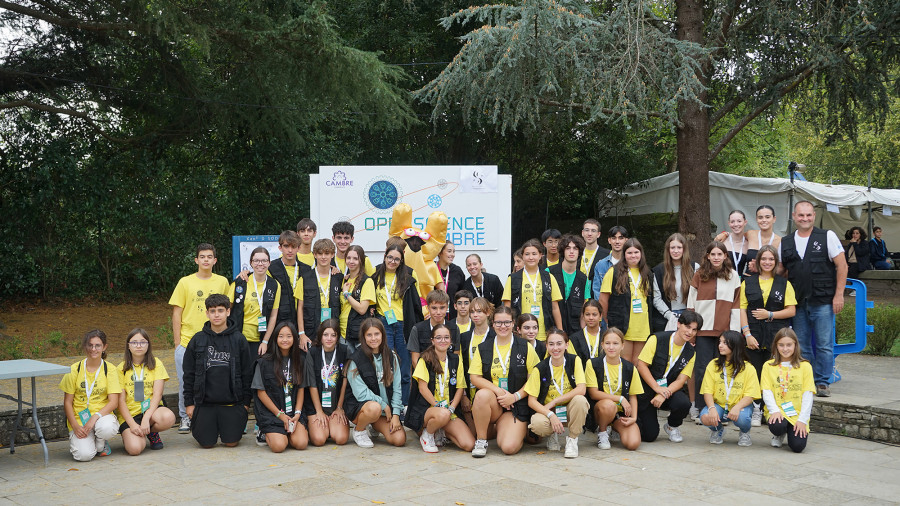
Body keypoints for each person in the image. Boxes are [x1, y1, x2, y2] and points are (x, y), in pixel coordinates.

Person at [779, 201, 848, 397]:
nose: (805, 219)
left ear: (814, 216)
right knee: (801, 344)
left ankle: (823, 382)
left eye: (808, 215)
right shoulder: (786, 241)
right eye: (801, 215)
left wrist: (839, 295)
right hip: (798, 302)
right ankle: (806, 380)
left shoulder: (827, 236)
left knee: (824, 344)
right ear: (794, 216)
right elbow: (781, 271)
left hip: (823, 301)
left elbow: (842, 266)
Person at [169, 243, 229, 433]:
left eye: (209, 256)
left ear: (215, 260)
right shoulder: (185, 282)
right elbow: (177, 313)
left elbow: (227, 310)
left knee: (210, 379)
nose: (205, 260)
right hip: (187, 342)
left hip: (213, 342)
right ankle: (185, 417)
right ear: (196, 260)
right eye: (202, 256)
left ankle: (205, 415)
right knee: (186, 381)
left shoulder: (222, 282)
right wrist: (178, 343)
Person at [468, 306, 540, 457]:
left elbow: (534, 379)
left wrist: (514, 397)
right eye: (498, 323)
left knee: (509, 448)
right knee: (482, 395)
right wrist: (498, 391)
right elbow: (474, 377)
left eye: (507, 322)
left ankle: (512, 429)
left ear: (513, 323)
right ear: (492, 324)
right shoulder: (483, 348)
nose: (503, 326)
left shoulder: (525, 347)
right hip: (494, 402)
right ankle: (481, 441)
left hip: (516, 404)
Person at [183, 294, 254, 448]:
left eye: (220, 310)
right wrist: (189, 403)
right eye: (213, 311)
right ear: (207, 313)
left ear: (228, 312)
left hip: (232, 404)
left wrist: (246, 404)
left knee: (231, 443)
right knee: (207, 444)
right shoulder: (198, 340)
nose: (216, 315)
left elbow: (247, 373)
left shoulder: (239, 339)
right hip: (205, 404)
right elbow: (188, 374)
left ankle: (230, 425)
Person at [739, 244, 797, 426]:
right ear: (758, 261)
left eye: (771, 259)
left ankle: (771, 409)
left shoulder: (784, 284)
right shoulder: (747, 282)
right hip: (753, 334)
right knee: (755, 372)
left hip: (775, 336)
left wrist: (770, 314)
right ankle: (756, 408)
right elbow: (742, 309)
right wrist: (746, 334)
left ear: (776, 262)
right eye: (763, 259)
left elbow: (791, 310)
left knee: (773, 373)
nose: (767, 262)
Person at [687, 241, 741, 421]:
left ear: (725, 256)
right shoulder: (699, 275)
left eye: (720, 254)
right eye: (713, 254)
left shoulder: (733, 276)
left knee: (723, 370)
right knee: (702, 369)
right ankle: (703, 410)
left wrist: (733, 333)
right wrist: (692, 331)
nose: (716, 257)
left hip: (723, 333)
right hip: (702, 332)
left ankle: (722, 410)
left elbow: (736, 306)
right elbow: (691, 305)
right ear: (708, 256)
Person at [635, 310, 702, 443]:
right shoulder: (657, 338)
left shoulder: (690, 352)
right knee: (649, 436)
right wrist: (656, 388)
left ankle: (672, 426)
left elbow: (681, 380)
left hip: (667, 390)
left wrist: (664, 393)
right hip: (647, 390)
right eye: (687, 327)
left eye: (694, 330)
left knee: (683, 403)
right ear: (678, 324)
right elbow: (641, 365)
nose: (690, 332)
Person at [407, 324, 475, 452]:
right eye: (438, 337)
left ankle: (442, 431)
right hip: (429, 408)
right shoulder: (425, 359)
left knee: (469, 444)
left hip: (449, 410)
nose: (443, 341)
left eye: (446, 337)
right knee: (442, 414)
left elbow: (460, 387)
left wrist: (452, 408)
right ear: (432, 340)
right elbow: (423, 388)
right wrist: (439, 406)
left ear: (451, 340)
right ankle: (427, 434)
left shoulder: (456, 359)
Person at [372, 243, 424, 406]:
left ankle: (403, 405)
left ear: (401, 261)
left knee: (404, 367)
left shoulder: (408, 278)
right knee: (387, 366)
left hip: (402, 326)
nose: (392, 261)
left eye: (397, 259)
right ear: (385, 256)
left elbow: (416, 305)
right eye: (390, 257)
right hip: (383, 324)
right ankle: (387, 403)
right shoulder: (376, 275)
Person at [525, 328, 588, 458]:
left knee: (580, 400)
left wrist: (555, 401)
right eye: (551, 344)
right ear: (546, 346)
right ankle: (551, 434)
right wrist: (550, 414)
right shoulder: (540, 368)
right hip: (550, 411)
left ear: (567, 344)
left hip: (569, 408)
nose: (555, 348)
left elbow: (581, 389)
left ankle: (572, 440)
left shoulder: (574, 360)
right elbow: (531, 400)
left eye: (559, 343)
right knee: (537, 423)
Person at [344, 318, 407, 448]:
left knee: (399, 440)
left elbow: (397, 388)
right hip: (363, 408)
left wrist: (395, 414)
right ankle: (360, 429)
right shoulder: (356, 359)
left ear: (383, 335)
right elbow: (361, 394)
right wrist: (384, 405)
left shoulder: (391, 356)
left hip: (384, 412)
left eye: (377, 334)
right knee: (374, 408)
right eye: (369, 335)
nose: (373, 338)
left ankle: (375, 426)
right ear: (363, 337)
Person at [60, 329, 121, 461]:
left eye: (97, 345)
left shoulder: (110, 369)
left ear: (104, 347)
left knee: (107, 427)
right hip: (79, 420)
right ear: (85, 346)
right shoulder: (74, 369)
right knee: (84, 456)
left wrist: (95, 417)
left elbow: (113, 402)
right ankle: (89, 440)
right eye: (90, 345)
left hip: (101, 417)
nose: (93, 349)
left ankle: (101, 441)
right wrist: (75, 426)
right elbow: (67, 402)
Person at [252, 321, 308, 452]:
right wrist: (280, 416)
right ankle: (265, 431)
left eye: (289, 336)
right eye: (281, 336)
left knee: (301, 444)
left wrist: (298, 413)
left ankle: (287, 431)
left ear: (294, 338)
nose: (285, 340)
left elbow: (301, 388)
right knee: (279, 446)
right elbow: (261, 393)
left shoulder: (300, 360)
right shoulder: (263, 362)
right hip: (273, 413)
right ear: (275, 338)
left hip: (293, 412)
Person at [117, 328, 175, 455]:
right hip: (130, 415)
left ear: (148, 345)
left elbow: (157, 394)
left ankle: (151, 432)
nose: (139, 345)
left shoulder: (156, 363)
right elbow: (120, 401)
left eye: (143, 342)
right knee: (134, 449)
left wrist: (146, 419)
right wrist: (132, 424)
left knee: (168, 417)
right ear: (128, 346)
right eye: (134, 342)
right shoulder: (121, 368)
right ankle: (136, 434)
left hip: (151, 411)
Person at [585, 328, 643, 451]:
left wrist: (633, 417)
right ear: (602, 345)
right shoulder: (593, 364)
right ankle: (602, 432)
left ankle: (614, 428)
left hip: (619, 414)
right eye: (607, 343)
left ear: (622, 345)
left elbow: (633, 396)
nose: (611, 347)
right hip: (600, 410)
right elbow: (593, 393)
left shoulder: (630, 367)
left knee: (633, 444)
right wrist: (620, 398)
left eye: (615, 343)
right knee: (608, 405)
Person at [699, 330, 760, 446]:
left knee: (742, 418)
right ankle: (718, 430)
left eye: (725, 343)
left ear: (736, 345)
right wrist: (711, 408)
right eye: (720, 342)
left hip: (740, 406)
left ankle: (745, 432)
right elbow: (707, 391)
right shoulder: (713, 364)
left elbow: (750, 395)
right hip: (720, 405)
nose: (720, 345)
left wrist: (737, 407)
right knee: (705, 417)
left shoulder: (748, 368)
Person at [598, 238, 653, 364]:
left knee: (638, 362)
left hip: (643, 326)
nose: (633, 255)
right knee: (624, 361)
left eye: (636, 252)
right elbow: (603, 299)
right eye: (629, 253)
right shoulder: (614, 272)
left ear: (641, 254)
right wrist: (607, 319)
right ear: (624, 254)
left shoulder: (647, 273)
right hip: (622, 325)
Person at [761, 328, 815, 452]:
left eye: (789, 345)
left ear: (795, 345)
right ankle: (779, 434)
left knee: (798, 447)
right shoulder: (768, 366)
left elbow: (808, 395)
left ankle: (792, 430)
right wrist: (774, 411)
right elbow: (767, 392)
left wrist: (802, 420)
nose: (785, 349)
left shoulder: (805, 366)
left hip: (796, 413)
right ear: (776, 346)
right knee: (778, 426)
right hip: (778, 410)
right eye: (781, 345)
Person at [503, 239, 563, 342]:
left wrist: (560, 331)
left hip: (544, 332)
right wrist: (508, 329)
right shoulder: (513, 278)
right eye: (527, 254)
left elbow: (555, 307)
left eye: (534, 254)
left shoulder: (549, 277)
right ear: (523, 256)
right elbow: (507, 307)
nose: (531, 257)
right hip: (520, 333)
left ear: (540, 255)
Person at [304, 319, 351, 446]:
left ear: (337, 337)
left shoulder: (344, 351)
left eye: (333, 335)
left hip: (336, 405)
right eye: (325, 335)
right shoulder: (313, 353)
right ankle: (318, 427)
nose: (329, 338)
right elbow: (312, 384)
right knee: (319, 440)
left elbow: (345, 381)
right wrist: (319, 410)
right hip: (317, 406)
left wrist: (340, 407)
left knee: (341, 439)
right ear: (320, 336)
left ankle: (331, 426)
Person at [229, 246, 281, 358]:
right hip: (238, 337)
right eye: (256, 260)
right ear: (251, 263)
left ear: (269, 263)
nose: (260, 264)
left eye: (264, 260)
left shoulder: (275, 285)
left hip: (260, 340)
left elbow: (273, 317)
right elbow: (227, 310)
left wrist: (265, 341)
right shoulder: (240, 282)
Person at [296, 239, 344, 352]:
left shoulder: (339, 278)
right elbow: (300, 308)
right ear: (314, 255)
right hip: (311, 331)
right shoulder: (304, 278)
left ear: (332, 255)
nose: (323, 257)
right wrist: (301, 333)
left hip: (333, 332)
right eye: (320, 253)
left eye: (327, 253)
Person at [459, 297, 496, 433]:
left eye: (479, 311)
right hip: (469, 389)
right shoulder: (464, 337)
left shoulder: (495, 336)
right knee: (474, 434)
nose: (475, 315)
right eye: (472, 312)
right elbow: (460, 367)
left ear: (488, 313)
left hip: (488, 391)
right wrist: (463, 395)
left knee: (489, 434)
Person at [651, 233, 698, 333]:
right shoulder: (658, 270)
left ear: (684, 249)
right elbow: (656, 298)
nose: (676, 251)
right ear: (668, 250)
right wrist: (671, 317)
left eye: (679, 247)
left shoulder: (694, 268)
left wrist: (689, 316)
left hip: (690, 317)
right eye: (672, 247)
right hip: (667, 318)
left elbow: (699, 294)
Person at [548, 234, 589, 335]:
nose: (571, 251)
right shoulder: (549, 272)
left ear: (579, 252)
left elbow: (584, 311)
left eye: (575, 248)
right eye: (568, 248)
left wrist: (583, 335)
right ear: (562, 251)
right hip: (551, 329)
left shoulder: (583, 279)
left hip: (575, 331)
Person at [268, 230, 310, 328]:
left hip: (303, 321)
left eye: (293, 246)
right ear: (280, 248)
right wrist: (245, 273)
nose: (290, 250)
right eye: (286, 246)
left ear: (298, 248)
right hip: (280, 321)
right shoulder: (271, 268)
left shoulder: (307, 269)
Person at [408, 289, 460, 368]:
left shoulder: (454, 329)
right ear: (428, 308)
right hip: (424, 376)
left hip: (447, 375)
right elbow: (415, 360)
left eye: (442, 308)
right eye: (434, 308)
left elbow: (456, 357)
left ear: (447, 307)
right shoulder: (417, 329)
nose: (438, 312)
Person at [339, 245, 375, 349]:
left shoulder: (367, 281)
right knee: (346, 365)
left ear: (361, 261)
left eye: (355, 258)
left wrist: (346, 294)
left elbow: (362, 309)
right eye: (349, 258)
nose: (351, 261)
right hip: (343, 332)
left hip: (359, 334)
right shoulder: (345, 280)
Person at [592, 226, 629, 300]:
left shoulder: (631, 264)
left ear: (626, 240)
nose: (617, 241)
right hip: (607, 308)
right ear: (609, 240)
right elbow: (597, 292)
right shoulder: (600, 265)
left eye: (621, 238)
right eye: (614, 238)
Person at [745, 205, 781, 274]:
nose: (764, 220)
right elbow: (736, 235)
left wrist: (759, 269)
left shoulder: (780, 241)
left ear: (774, 219)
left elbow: (781, 269)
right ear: (756, 219)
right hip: (748, 280)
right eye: (760, 217)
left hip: (769, 282)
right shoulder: (750, 234)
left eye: (767, 217)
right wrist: (725, 234)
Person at [714, 210, 751, 276]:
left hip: (740, 282)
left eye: (739, 221)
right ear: (729, 223)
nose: (736, 224)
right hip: (722, 280)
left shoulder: (749, 243)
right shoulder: (722, 241)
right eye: (732, 222)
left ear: (745, 222)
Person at [436, 241, 466, 318]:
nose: (452, 254)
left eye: (453, 251)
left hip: (452, 316)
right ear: (440, 253)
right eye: (449, 251)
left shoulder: (457, 271)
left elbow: (462, 294)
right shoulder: (431, 269)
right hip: (435, 315)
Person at [581, 218, 611, 283]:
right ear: (582, 233)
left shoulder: (607, 254)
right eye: (587, 230)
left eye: (593, 231)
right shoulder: (576, 253)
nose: (589, 234)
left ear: (598, 234)